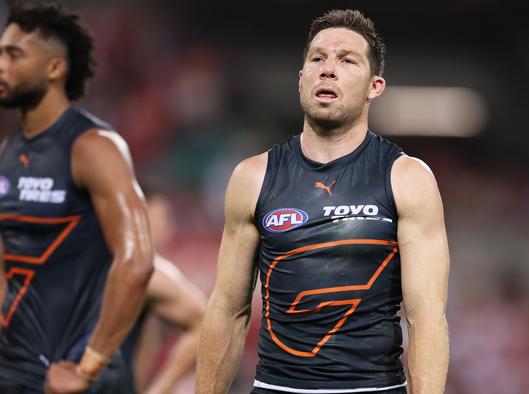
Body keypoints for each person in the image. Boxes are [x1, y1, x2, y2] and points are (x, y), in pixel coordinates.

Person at [196, 9, 450, 394]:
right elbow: (228, 311)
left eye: (347, 60)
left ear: (374, 86)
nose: (328, 69)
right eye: (317, 58)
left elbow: (427, 318)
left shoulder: (407, 178)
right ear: (301, 79)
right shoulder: (252, 177)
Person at [0, 3, 153, 393]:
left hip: (70, 375)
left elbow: (135, 262)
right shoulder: (7, 151)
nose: (1, 64)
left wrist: (87, 369)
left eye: (13, 54)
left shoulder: (93, 147)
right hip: (13, 371)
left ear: (54, 68)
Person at [120, 192, 206, 394]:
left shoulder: (151, 274)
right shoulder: (144, 272)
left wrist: (160, 388)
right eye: (163, 218)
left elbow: (205, 323)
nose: (168, 230)